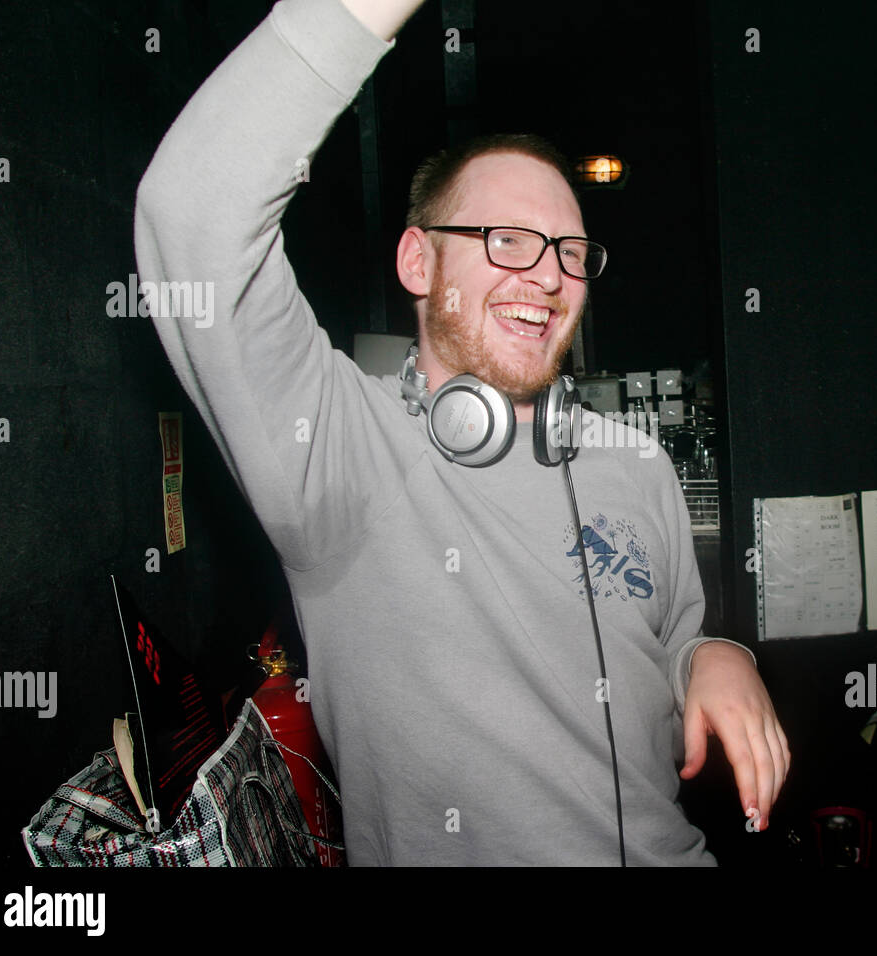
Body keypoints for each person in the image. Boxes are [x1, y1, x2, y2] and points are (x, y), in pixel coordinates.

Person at [135, 0, 788, 865]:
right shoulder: (340, 449)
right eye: (507, 239)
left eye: (568, 251)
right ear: (418, 262)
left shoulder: (638, 466)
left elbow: (665, 660)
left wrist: (716, 657)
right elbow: (191, 215)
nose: (546, 276)